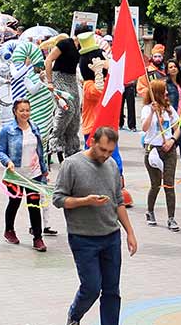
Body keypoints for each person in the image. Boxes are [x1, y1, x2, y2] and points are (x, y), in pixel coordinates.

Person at [54, 128, 138, 325]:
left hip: (111, 236)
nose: (106, 155)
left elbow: (119, 201)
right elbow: (58, 199)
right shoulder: (72, 165)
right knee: (91, 287)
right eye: (102, 150)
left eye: (110, 151)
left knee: (111, 290)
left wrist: (130, 233)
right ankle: (74, 315)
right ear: (92, 141)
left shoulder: (112, 166)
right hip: (83, 237)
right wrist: (86, 201)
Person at [0, 99, 49, 252]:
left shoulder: (34, 128)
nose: (25, 113)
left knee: (34, 205)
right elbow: (0, 151)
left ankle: (38, 237)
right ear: (15, 111)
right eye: (22, 110)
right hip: (16, 175)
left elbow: (40, 151)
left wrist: (44, 170)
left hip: (34, 174)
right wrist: (8, 162)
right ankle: (9, 230)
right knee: (14, 203)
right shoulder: (7, 130)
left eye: (27, 110)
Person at [141, 80, 181, 231]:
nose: (166, 93)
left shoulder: (169, 109)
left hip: (169, 151)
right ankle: (150, 211)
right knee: (156, 184)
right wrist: (152, 112)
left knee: (169, 185)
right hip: (153, 150)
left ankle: (171, 218)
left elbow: (178, 129)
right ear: (156, 93)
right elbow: (145, 129)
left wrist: (172, 140)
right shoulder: (146, 109)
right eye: (163, 91)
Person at [44, 32, 84, 158]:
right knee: (67, 108)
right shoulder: (65, 43)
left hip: (72, 79)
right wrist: (49, 81)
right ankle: (55, 138)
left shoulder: (83, 47)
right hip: (58, 77)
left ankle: (71, 145)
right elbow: (49, 60)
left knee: (76, 112)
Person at [77, 32, 108, 145]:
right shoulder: (88, 85)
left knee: (113, 161)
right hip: (93, 129)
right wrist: (98, 72)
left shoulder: (106, 81)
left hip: (107, 128)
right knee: (91, 161)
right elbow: (98, 92)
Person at [164, 59, 181, 170]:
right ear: (167, 70)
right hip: (173, 120)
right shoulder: (167, 85)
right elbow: (167, 102)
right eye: (170, 67)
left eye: (175, 66)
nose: (173, 68)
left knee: (173, 146)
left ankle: (163, 168)